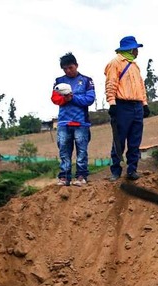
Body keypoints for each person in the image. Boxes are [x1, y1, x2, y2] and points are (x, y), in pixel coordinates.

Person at [104, 35, 150, 182]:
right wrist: (112, 103)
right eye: (136, 48)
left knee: (135, 139)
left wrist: (144, 103)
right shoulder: (115, 63)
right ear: (130, 49)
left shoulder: (135, 66)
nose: (137, 51)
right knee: (119, 138)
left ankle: (132, 169)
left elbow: (141, 86)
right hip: (122, 105)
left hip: (137, 105)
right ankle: (116, 170)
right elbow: (111, 83)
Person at [51, 52, 95, 187]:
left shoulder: (87, 80)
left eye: (70, 67)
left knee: (82, 151)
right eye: (65, 69)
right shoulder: (59, 81)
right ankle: (64, 177)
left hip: (81, 122)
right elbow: (54, 98)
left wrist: (73, 98)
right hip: (64, 122)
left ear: (76, 65)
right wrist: (64, 98)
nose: (68, 71)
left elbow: (90, 99)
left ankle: (81, 176)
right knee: (64, 150)